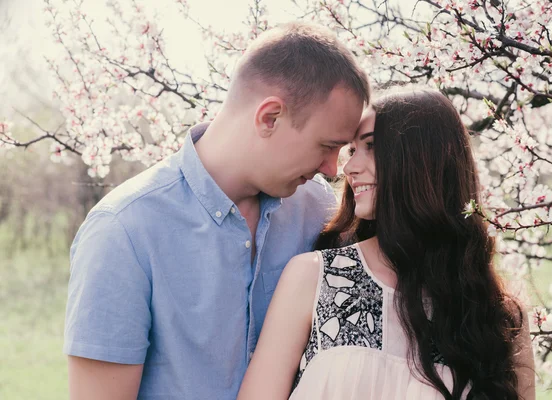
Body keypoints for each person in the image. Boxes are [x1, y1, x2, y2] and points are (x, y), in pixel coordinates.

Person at [64, 22, 370, 400]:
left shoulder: (320, 208)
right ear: (269, 117)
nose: (331, 168)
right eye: (326, 146)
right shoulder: (124, 231)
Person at [237, 89, 536, 400]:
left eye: (371, 146)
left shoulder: (496, 316)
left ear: (423, 158)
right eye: (351, 150)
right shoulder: (316, 278)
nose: (349, 168)